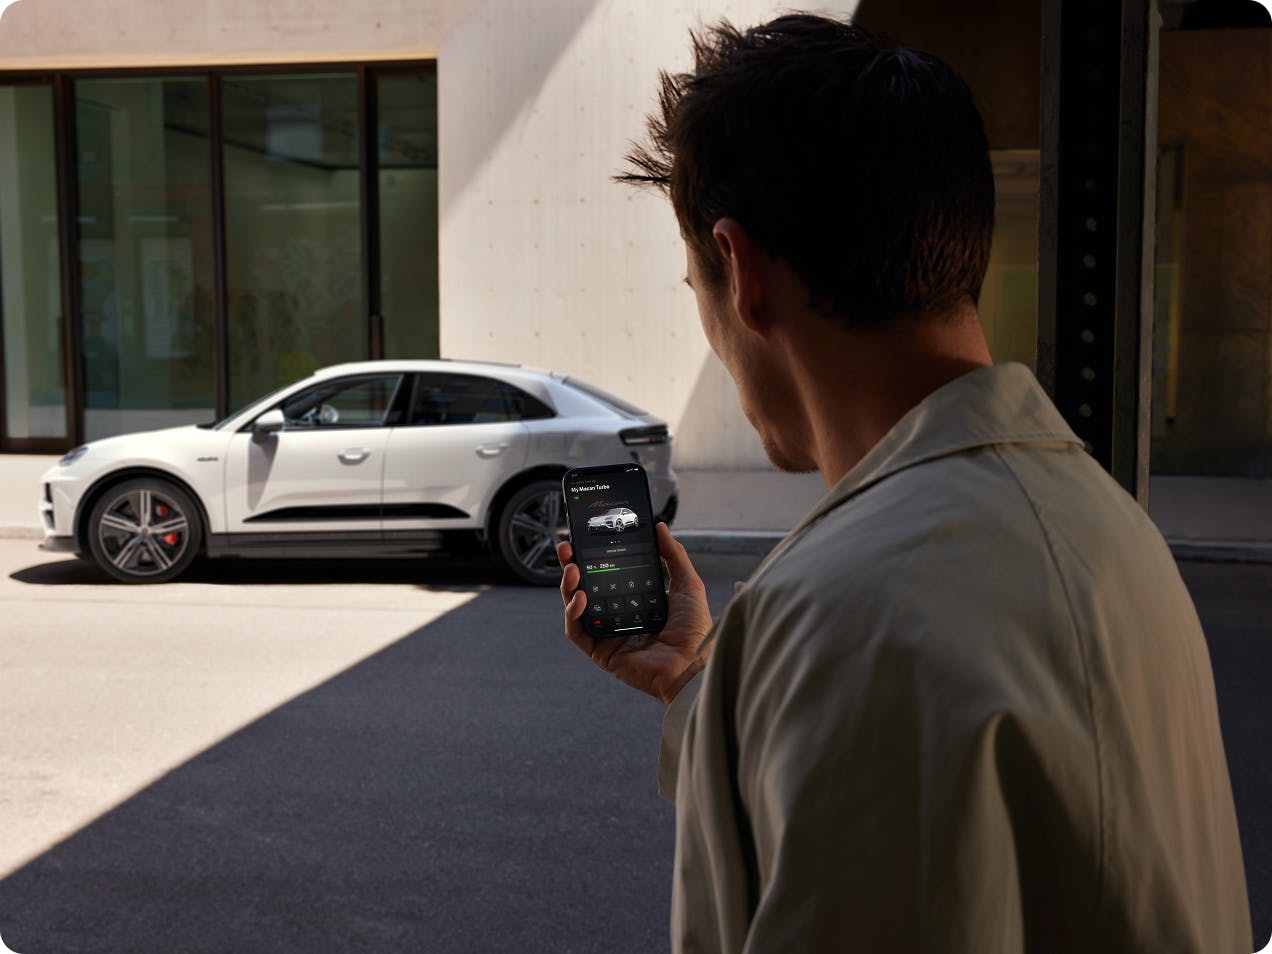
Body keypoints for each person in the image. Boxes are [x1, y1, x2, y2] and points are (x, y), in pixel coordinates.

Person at [556, 14, 1252, 953]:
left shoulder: (843, 616)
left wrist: (753, 672)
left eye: (697, 293)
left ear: (740, 269)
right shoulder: (1110, 527)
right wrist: (700, 683)